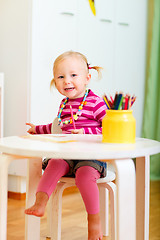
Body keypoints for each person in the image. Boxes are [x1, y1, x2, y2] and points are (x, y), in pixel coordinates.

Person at [25, 51, 107, 240]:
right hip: (67, 156)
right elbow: (58, 128)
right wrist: (37, 129)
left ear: (87, 78)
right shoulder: (64, 104)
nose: (66, 81)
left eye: (73, 75)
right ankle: (40, 203)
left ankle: (94, 223)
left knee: (84, 177)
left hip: (91, 159)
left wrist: (86, 134)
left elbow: (110, 130)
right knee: (53, 163)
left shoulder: (95, 103)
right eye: (60, 77)